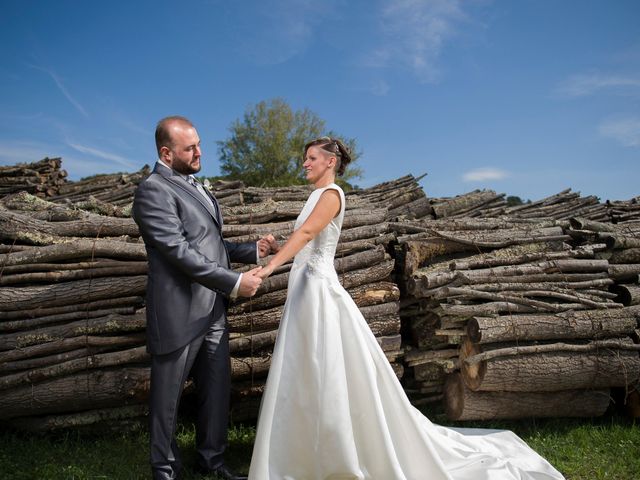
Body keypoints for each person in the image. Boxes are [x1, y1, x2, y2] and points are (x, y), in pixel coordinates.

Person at [247, 137, 566, 479]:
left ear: (330, 162)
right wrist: (277, 246)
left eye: (311, 158)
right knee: (304, 368)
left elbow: (310, 232)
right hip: (304, 288)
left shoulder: (332, 195)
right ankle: (300, 452)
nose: (305, 163)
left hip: (318, 292)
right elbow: (306, 242)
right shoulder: (313, 196)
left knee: (325, 367)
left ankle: (337, 450)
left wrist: (269, 268)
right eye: (305, 158)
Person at [133, 116, 277, 480]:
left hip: (212, 309)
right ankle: (165, 471)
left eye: (198, 143)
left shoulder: (194, 186)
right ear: (166, 153)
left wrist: (251, 250)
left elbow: (209, 245)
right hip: (179, 311)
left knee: (216, 389)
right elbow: (178, 252)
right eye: (189, 148)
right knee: (167, 400)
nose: (199, 152)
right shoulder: (153, 190)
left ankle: (212, 463)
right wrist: (234, 282)